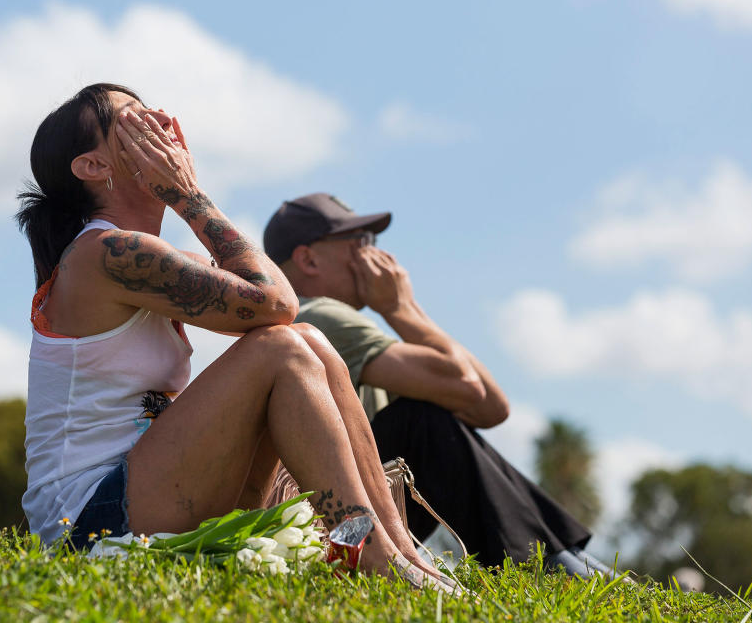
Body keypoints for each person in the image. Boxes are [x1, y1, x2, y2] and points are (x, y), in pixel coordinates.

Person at [14, 83, 456, 590]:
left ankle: (399, 549)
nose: (159, 119)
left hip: (147, 492)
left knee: (309, 338)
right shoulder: (104, 252)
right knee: (283, 348)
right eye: (134, 120)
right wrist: (189, 196)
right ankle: (367, 554)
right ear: (93, 166)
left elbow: (277, 305)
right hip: (89, 522)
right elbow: (276, 304)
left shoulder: (138, 256)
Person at [263, 193, 618, 578]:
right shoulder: (317, 316)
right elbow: (468, 388)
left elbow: (490, 409)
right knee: (421, 421)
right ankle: (550, 566)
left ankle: (564, 560)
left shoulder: (330, 322)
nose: (374, 257)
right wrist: (399, 309)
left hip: (342, 520)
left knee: (430, 415)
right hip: (329, 527)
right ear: (308, 259)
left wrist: (406, 311)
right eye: (360, 243)